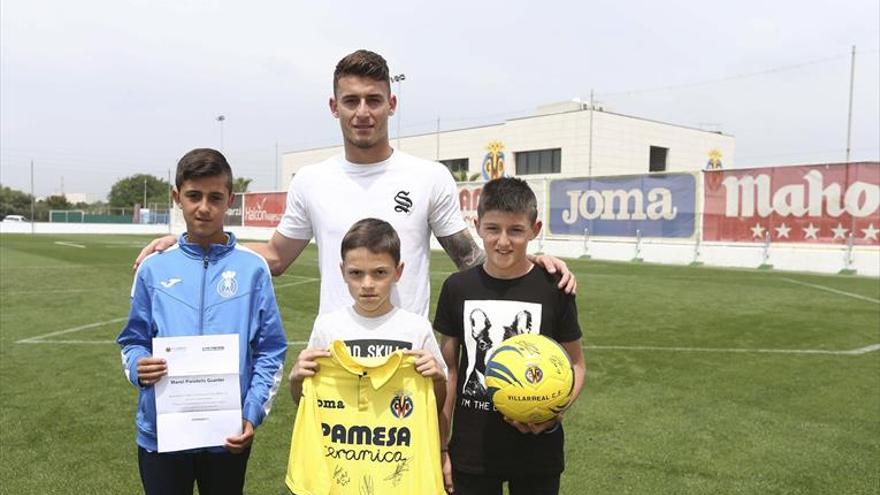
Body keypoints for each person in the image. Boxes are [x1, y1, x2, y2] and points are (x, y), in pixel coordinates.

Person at [133, 49, 576, 319]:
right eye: (351, 101)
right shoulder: (311, 180)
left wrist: (529, 261)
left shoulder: (429, 176)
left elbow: (471, 260)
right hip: (336, 353)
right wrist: (192, 242)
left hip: (408, 357)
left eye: (373, 100)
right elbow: (275, 258)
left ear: (391, 105)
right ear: (334, 106)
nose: (362, 111)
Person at [116, 148, 288, 495]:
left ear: (230, 200)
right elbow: (133, 340)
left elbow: (271, 350)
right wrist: (137, 366)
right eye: (194, 196)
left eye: (215, 197)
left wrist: (251, 412)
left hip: (227, 432)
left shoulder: (253, 269)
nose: (204, 207)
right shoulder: (153, 268)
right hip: (161, 432)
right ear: (177, 197)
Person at [434, 177, 586, 495]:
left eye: (516, 230)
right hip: (472, 450)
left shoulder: (554, 287)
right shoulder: (457, 288)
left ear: (535, 229)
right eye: (493, 229)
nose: (503, 241)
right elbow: (449, 371)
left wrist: (555, 412)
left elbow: (576, 364)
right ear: (477, 226)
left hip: (538, 449)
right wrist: (442, 447)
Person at [285, 217, 448, 494]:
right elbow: (307, 401)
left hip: (396, 464)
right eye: (356, 273)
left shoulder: (416, 328)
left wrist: (438, 378)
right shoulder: (328, 327)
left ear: (398, 272)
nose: (367, 284)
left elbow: (434, 402)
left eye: (380, 273)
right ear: (342, 272)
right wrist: (295, 379)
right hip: (344, 462)